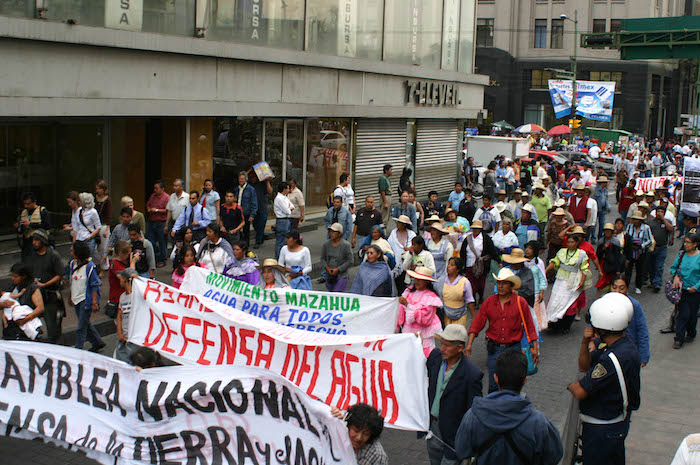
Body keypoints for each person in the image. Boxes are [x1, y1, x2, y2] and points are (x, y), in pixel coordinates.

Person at [567, 293, 641, 465]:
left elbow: (580, 391)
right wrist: (585, 342)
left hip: (602, 429)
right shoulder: (622, 345)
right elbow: (585, 365)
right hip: (615, 426)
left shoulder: (611, 359)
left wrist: (570, 385)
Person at [455, 350, 563, 465]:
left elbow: (461, 451)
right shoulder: (539, 422)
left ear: (496, 378)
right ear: (525, 381)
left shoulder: (473, 416)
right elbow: (554, 456)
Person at [467, 268, 539, 393]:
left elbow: (530, 326)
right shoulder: (489, 302)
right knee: (493, 384)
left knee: (512, 383)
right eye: (498, 283)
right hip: (494, 349)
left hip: (513, 349)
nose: (500, 286)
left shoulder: (520, 302)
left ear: (511, 286)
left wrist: (535, 347)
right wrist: (469, 344)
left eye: (504, 283)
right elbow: (477, 323)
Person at [426, 324, 483, 465]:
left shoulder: (472, 375)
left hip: (454, 436)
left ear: (460, 348)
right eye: (442, 344)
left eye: (447, 345)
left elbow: (473, 411)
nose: (442, 349)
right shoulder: (435, 358)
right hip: (433, 429)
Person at [545, 233, 592, 333]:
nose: (570, 244)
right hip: (560, 280)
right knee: (556, 299)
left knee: (569, 303)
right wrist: (545, 271)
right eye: (568, 242)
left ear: (576, 243)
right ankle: (553, 323)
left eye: (572, 242)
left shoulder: (581, 254)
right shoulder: (562, 252)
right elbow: (555, 262)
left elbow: (584, 268)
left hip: (572, 281)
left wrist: (582, 281)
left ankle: (566, 325)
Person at [22, 229, 63, 343]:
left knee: (52, 326)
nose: (34, 243)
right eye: (33, 240)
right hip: (35, 295)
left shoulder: (53, 255)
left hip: (50, 295)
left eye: (36, 240)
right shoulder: (31, 255)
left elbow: (59, 275)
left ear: (43, 241)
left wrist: (45, 284)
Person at [67, 240, 105, 352]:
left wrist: (94, 302)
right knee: (85, 323)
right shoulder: (72, 264)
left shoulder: (89, 267)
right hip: (76, 299)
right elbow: (72, 281)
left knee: (81, 327)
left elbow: (94, 285)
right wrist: (71, 295)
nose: (70, 253)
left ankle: (79, 348)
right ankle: (97, 342)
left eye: (72, 250)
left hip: (85, 300)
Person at [398, 266, 443, 356]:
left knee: (423, 359)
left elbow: (425, 319)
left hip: (424, 334)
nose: (416, 282)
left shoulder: (431, 297)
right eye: (416, 279)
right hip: (409, 331)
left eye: (420, 280)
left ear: (426, 282)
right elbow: (401, 310)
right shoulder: (409, 291)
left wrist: (407, 305)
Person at [610, 275, 650, 366]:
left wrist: (644, 357)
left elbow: (642, 330)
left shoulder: (634, 305)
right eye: (614, 287)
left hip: (628, 350)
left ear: (627, 289)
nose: (617, 291)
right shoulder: (603, 301)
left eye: (621, 288)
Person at [670, 232, 700, 349]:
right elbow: (673, 268)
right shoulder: (681, 255)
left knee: (692, 315)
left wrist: (696, 287)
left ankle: (691, 333)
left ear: (695, 244)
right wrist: (676, 276)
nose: (686, 244)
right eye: (685, 242)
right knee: (682, 315)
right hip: (682, 291)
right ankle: (679, 339)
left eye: (688, 242)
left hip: (695, 292)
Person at [1, 263, 45, 340]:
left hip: (24, 328)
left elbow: (40, 308)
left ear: (24, 276)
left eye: (15, 276)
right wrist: (3, 304)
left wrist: (26, 319)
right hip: (11, 328)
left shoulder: (32, 288)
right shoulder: (12, 287)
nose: (13, 278)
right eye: (12, 276)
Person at [460, 220, 499, 306]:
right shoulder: (468, 239)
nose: (475, 230)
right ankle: (472, 299)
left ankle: (481, 297)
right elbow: (463, 252)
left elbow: (492, 251)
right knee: (471, 284)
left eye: (477, 229)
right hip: (469, 264)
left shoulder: (486, 239)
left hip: (482, 266)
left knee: (481, 284)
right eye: (474, 228)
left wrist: (498, 261)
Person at [438, 257, 476, 327]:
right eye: (448, 264)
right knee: (447, 336)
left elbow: (470, 300)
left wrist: (474, 317)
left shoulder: (465, 282)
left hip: (460, 314)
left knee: (458, 335)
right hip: (445, 314)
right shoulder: (441, 280)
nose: (448, 266)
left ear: (458, 269)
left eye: (452, 265)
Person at [16, 192, 50, 260]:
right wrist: (19, 227)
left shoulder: (42, 211)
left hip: (40, 241)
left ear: (34, 202)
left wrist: (31, 224)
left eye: (28, 204)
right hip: (27, 242)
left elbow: (47, 225)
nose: (26, 206)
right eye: (24, 204)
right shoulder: (23, 213)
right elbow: (20, 230)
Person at [625, 212, 653, 294]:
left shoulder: (646, 228)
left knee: (640, 269)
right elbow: (626, 237)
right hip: (631, 251)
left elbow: (650, 240)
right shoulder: (629, 226)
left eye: (637, 220)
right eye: (634, 219)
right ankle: (626, 286)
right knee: (628, 269)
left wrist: (642, 245)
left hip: (641, 252)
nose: (635, 221)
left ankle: (638, 286)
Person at [647, 205, 674, 293]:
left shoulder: (667, 222)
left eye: (662, 212)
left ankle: (657, 283)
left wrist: (664, 219)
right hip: (651, 247)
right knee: (651, 266)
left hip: (662, 248)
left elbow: (671, 229)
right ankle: (652, 280)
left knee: (659, 266)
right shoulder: (650, 222)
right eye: (658, 212)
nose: (659, 214)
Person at [114, 267, 138, 363]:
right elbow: (119, 316)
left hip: (135, 339)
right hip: (125, 338)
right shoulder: (122, 297)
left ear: (125, 279)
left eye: (121, 277)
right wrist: (120, 333)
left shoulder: (138, 295)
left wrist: (136, 277)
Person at [321, 223, 353, 292]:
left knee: (337, 294)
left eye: (334, 232)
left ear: (339, 234)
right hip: (329, 275)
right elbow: (323, 259)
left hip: (341, 276)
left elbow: (350, 261)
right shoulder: (326, 244)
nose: (331, 233)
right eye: (330, 231)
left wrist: (338, 269)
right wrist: (327, 268)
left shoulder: (346, 245)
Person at [145, 180, 170, 268]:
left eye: (157, 188)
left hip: (161, 222)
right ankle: (153, 258)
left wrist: (156, 210)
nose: (155, 190)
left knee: (162, 242)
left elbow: (168, 210)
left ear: (162, 189)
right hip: (152, 221)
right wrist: (149, 209)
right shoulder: (153, 196)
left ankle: (162, 259)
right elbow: (148, 204)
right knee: (150, 241)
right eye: (154, 188)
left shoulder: (167, 197)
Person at [595, 224, 626, 293]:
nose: (607, 233)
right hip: (603, 264)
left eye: (609, 231)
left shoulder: (616, 242)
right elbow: (597, 255)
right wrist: (603, 248)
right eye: (606, 231)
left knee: (612, 282)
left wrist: (618, 269)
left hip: (613, 265)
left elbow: (618, 257)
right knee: (601, 282)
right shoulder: (601, 241)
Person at [107, 239, 132, 322]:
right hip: (118, 298)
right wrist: (133, 262)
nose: (128, 256)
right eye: (128, 254)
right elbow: (128, 275)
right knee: (121, 323)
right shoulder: (116, 264)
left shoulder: (120, 263)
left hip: (120, 297)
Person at [250, 170, 273, 249]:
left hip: (262, 207)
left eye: (254, 177)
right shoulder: (249, 186)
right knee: (255, 225)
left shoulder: (262, 184)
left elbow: (270, 191)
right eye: (251, 177)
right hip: (253, 209)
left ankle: (258, 241)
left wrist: (267, 181)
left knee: (261, 224)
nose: (252, 179)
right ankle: (261, 235)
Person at [273, 181, 294, 259]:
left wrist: (289, 207)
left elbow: (292, 206)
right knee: (280, 241)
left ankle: (283, 257)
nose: (289, 190)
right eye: (288, 189)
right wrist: (289, 208)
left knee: (285, 241)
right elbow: (288, 211)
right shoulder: (279, 199)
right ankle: (278, 258)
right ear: (284, 189)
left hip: (286, 220)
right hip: (282, 221)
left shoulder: (285, 197)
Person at [237, 171, 259, 247]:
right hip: (237, 213)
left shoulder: (251, 189)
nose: (241, 180)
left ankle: (245, 248)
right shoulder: (237, 189)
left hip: (246, 213)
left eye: (242, 179)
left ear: (246, 179)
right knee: (238, 231)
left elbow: (254, 203)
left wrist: (252, 215)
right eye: (240, 179)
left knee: (246, 232)